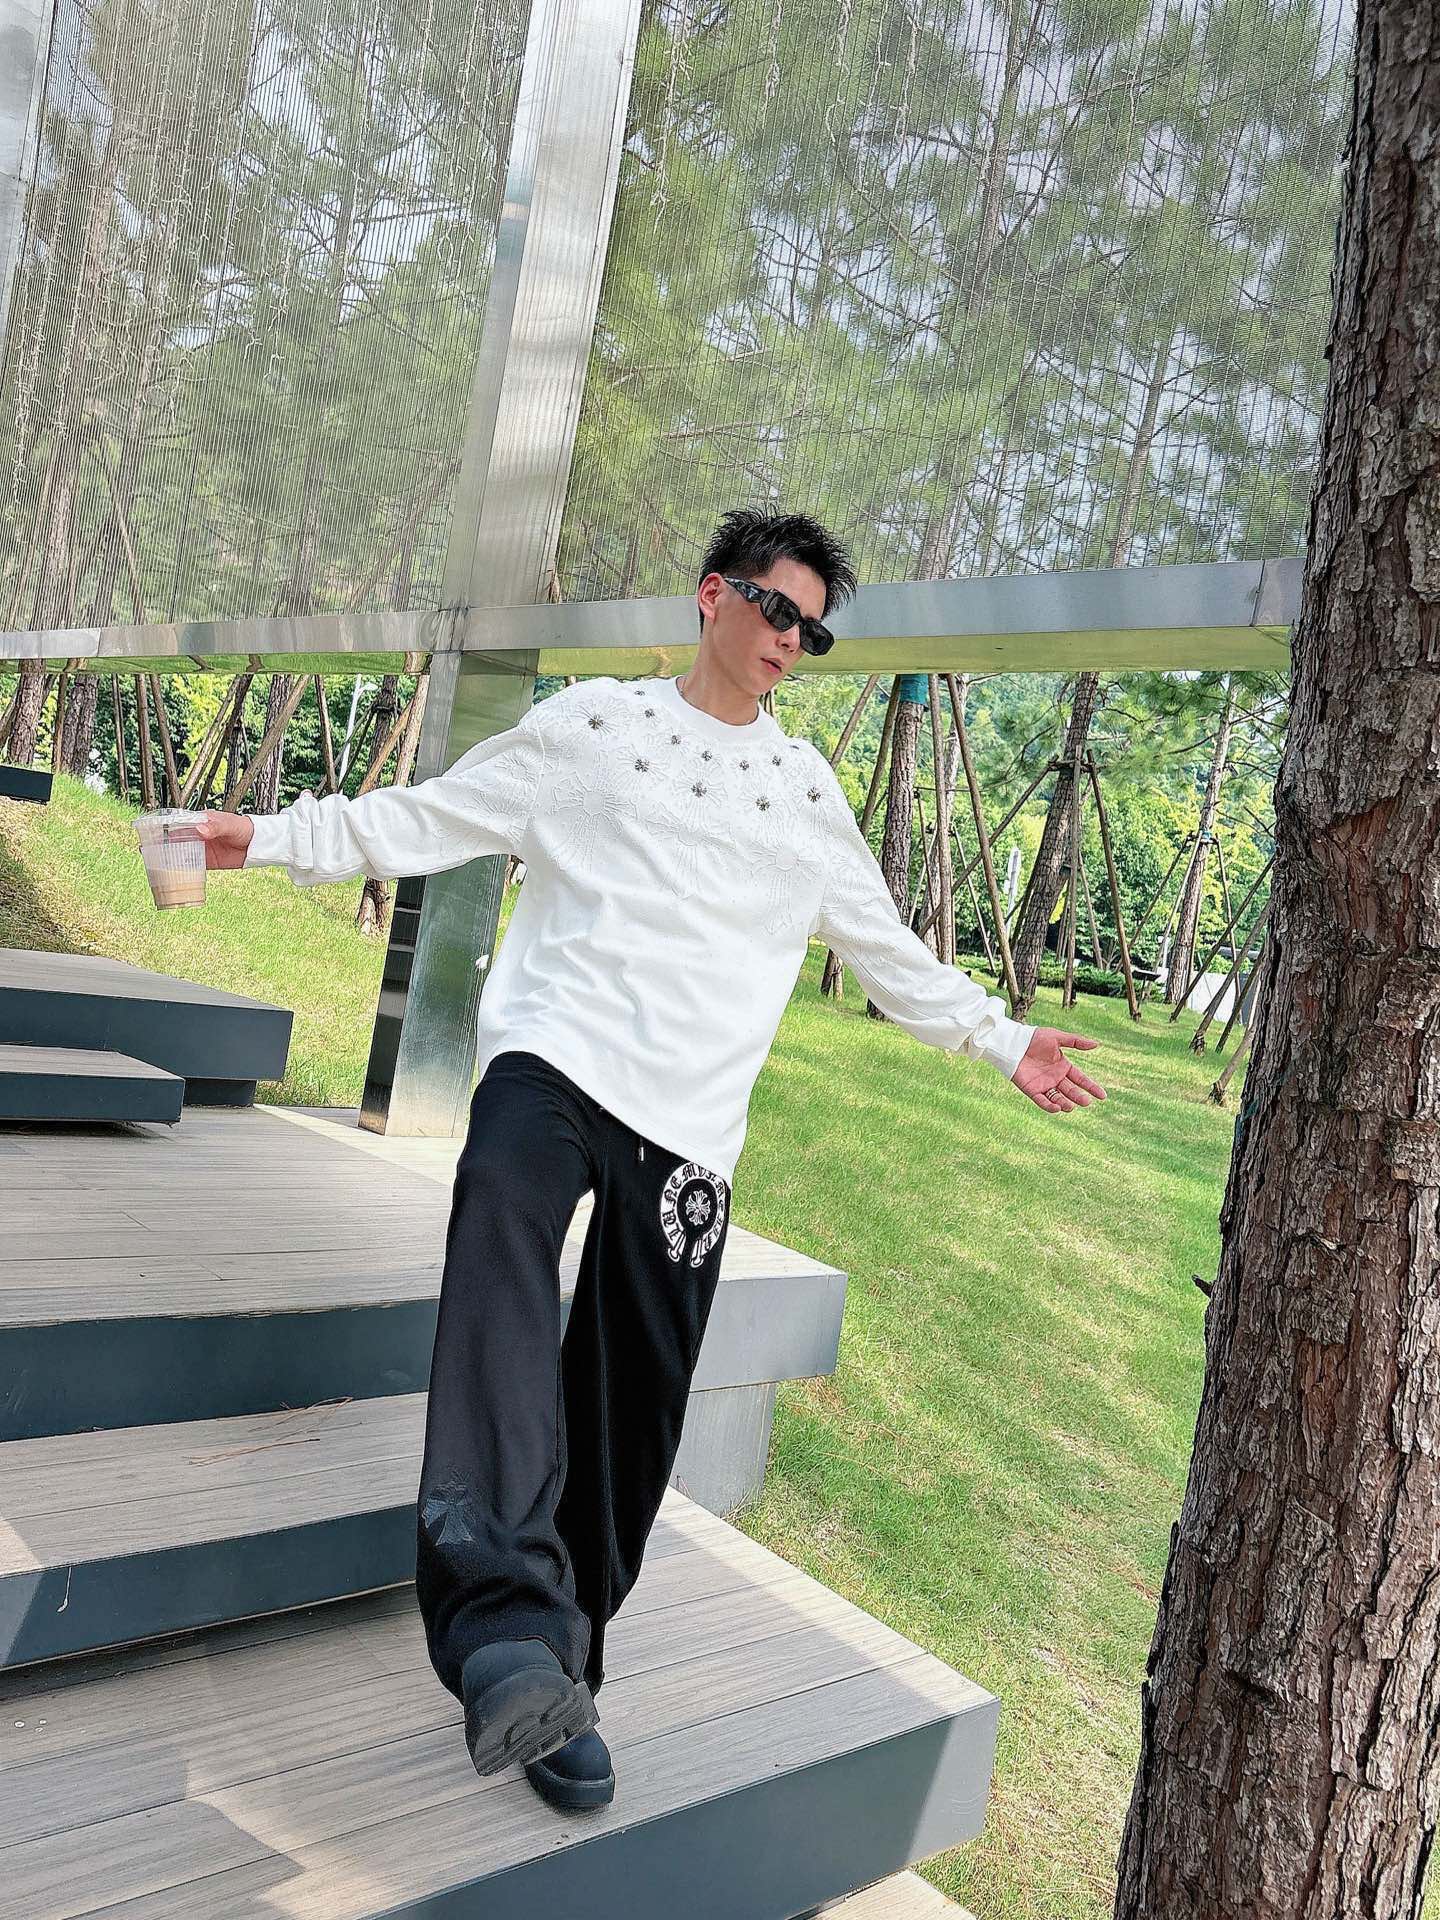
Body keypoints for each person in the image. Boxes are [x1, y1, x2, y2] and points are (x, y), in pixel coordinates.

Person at [195, 507, 1106, 1815]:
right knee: (501, 1218)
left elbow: (884, 946)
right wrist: (270, 837)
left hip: (690, 1128)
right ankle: (502, 1630)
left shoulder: (805, 795)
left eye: (813, 631)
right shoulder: (593, 729)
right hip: (557, 1064)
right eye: (777, 609)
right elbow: (430, 817)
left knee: (634, 1401)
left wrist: (1004, 1038)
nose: (790, 640)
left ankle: (561, 1668)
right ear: (713, 595)